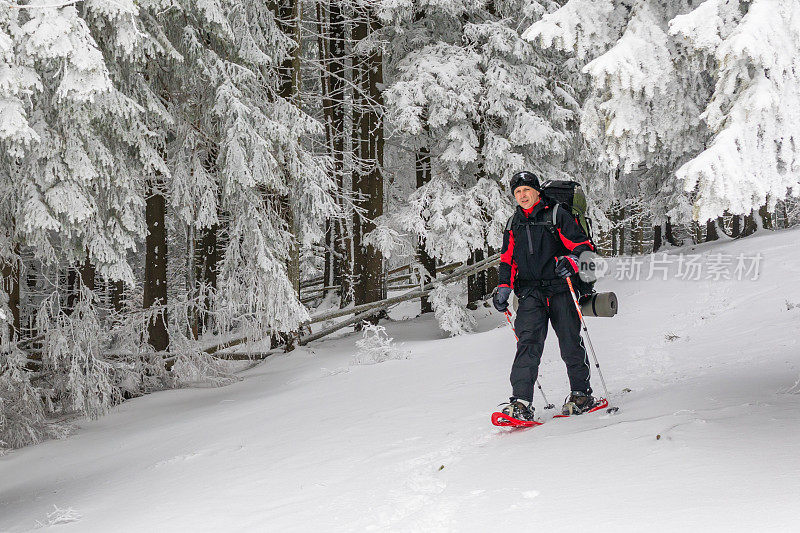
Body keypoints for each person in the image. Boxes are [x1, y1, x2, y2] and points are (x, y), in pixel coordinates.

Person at [493, 170, 598, 420]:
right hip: (530, 293)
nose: (522, 195)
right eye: (517, 192)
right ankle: (521, 402)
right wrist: (504, 286)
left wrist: (572, 262)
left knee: (569, 341)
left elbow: (584, 247)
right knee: (527, 344)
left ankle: (581, 393)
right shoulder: (513, 223)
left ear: (537, 191)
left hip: (561, 288)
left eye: (526, 190)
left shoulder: (556, 214)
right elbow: (508, 259)